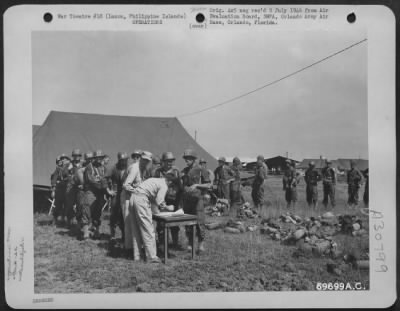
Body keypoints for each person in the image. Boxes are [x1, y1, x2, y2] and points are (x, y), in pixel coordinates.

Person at [130, 174, 177, 263]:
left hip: (134, 197)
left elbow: (152, 197)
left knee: (136, 228)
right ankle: (152, 257)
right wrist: (168, 207)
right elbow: (160, 201)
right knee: (148, 229)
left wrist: (156, 210)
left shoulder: (154, 180)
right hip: (141, 199)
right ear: (170, 182)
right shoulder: (164, 185)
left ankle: (137, 256)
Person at [122, 151, 153, 259]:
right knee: (129, 224)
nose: (145, 162)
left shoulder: (144, 169)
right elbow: (126, 185)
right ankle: (129, 250)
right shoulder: (135, 168)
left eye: (148, 161)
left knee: (138, 224)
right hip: (128, 197)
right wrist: (137, 190)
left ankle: (138, 251)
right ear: (140, 158)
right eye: (144, 159)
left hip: (138, 198)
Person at [181, 148, 211, 253]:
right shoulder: (184, 171)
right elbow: (183, 185)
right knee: (188, 222)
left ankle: (201, 244)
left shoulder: (201, 169)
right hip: (187, 200)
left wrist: (197, 185)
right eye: (186, 159)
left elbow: (208, 184)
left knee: (200, 222)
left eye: (189, 159)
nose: (186, 161)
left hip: (198, 199)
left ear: (194, 159)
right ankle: (190, 243)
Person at [153, 152, 183, 251]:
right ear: (163, 162)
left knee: (174, 222)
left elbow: (180, 186)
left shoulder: (176, 171)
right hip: (162, 200)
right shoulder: (158, 172)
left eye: (171, 161)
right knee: (161, 223)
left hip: (174, 200)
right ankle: (162, 244)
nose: (170, 163)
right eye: (167, 161)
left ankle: (175, 243)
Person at [83, 150, 115, 239]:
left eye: (100, 157)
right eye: (97, 158)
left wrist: (107, 189)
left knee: (98, 212)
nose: (99, 159)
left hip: (100, 193)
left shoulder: (103, 168)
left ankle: (96, 231)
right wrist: (103, 187)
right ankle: (85, 232)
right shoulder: (89, 167)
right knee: (87, 210)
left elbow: (106, 180)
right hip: (91, 192)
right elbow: (91, 180)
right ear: (94, 158)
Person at [109, 152, 129, 241]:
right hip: (116, 194)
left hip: (126, 194)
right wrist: (109, 190)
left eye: (125, 160)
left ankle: (125, 235)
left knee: (125, 215)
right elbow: (104, 179)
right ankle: (112, 235)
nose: (123, 162)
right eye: (122, 160)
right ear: (119, 161)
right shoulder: (114, 168)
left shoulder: (130, 168)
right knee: (114, 214)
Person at [75, 151, 93, 239]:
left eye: (91, 159)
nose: (90, 161)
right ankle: (82, 230)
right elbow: (83, 182)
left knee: (91, 211)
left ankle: (89, 229)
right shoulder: (81, 170)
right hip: (83, 192)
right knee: (82, 210)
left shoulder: (94, 169)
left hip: (91, 192)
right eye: (88, 159)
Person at [64, 149, 83, 228]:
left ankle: (79, 222)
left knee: (80, 205)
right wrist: (68, 169)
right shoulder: (69, 164)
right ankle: (69, 221)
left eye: (78, 155)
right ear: (73, 156)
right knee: (69, 205)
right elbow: (64, 174)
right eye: (75, 156)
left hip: (80, 187)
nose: (76, 157)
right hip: (71, 187)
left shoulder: (83, 164)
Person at [50, 154, 70, 225]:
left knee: (67, 205)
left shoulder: (69, 167)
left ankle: (65, 220)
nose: (63, 160)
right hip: (59, 190)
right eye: (62, 159)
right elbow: (54, 179)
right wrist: (53, 190)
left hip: (67, 189)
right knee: (58, 205)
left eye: (64, 159)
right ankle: (55, 220)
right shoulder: (58, 169)